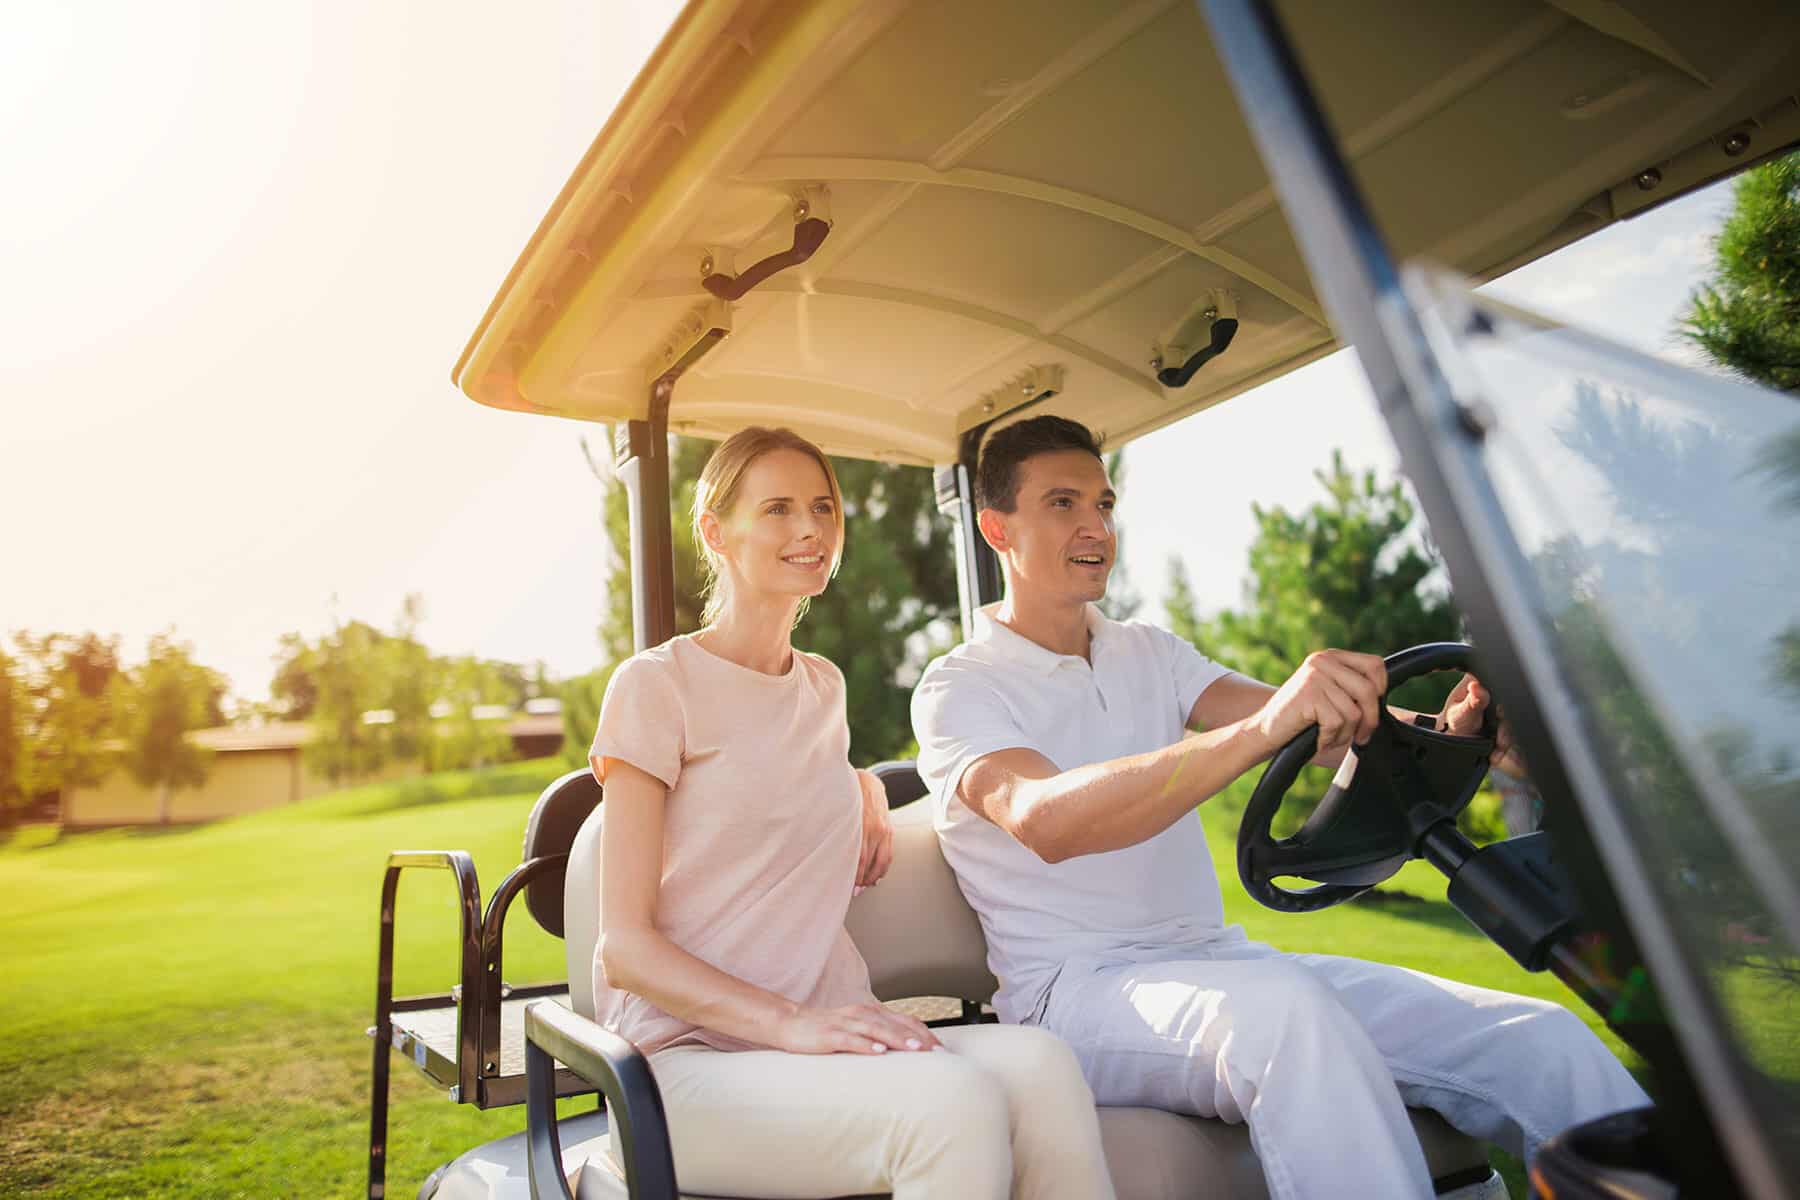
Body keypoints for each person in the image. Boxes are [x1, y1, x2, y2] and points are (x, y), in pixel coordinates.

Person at [910, 414, 1648, 1200]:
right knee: (1292, 1021)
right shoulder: (961, 687)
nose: (1095, 526)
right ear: (996, 528)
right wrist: (1269, 727)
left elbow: (1320, 727)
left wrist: (1449, 732)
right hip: (1076, 995)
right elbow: (1043, 819)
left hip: (1221, 963)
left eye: (1104, 502)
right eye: (1063, 503)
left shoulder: (1148, 651)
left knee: (1540, 1039)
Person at [590, 425, 1116, 1200]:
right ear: (715, 532)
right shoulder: (654, 686)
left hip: (817, 1040)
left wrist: (864, 788)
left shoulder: (823, 687)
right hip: (684, 1067)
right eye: (776, 509)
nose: (809, 529)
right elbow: (625, 949)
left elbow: (781, 781)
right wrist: (791, 1025)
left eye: (823, 507)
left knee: (1042, 1065)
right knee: (951, 1108)